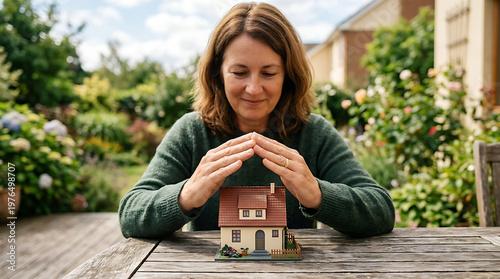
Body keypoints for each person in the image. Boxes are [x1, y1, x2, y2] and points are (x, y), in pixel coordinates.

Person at [119, 2, 394, 239]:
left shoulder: (313, 132)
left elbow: (381, 210)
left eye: (269, 73)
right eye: (239, 72)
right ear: (218, 74)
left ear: (288, 75)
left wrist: (317, 194)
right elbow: (130, 215)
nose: (253, 88)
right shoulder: (192, 131)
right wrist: (186, 195)